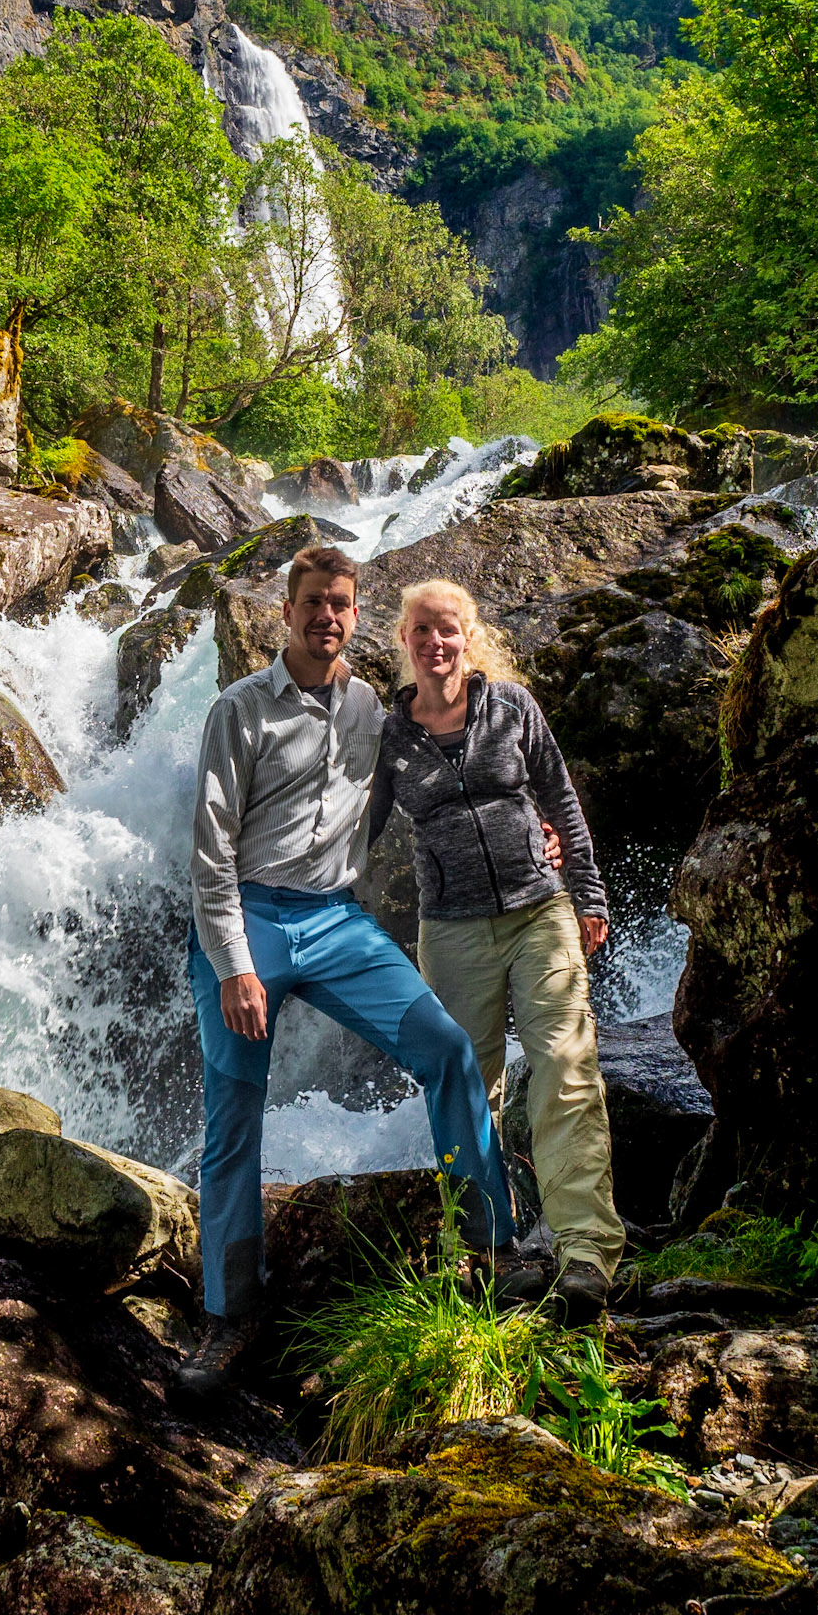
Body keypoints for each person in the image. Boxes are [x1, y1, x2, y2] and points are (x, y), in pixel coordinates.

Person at [180, 544, 517, 1397]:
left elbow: (459, 751)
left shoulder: (372, 706)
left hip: (335, 920)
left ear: (356, 616)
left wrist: (538, 830)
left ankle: (488, 1250)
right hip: (247, 920)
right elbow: (209, 852)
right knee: (234, 1112)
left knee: (444, 1049)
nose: (326, 616)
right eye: (312, 602)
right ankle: (230, 1314)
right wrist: (232, 964)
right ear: (284, 613)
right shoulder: (241, 710)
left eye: (340, 603)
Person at [369, 576, 625, 1324]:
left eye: (448, 629)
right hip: (450, 929)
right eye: (421, 630)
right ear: (405, 642)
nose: (435, 642)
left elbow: (561, 799)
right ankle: (487, 1248)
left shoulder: (513, 707)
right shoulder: (390, 736)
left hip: (538, 910)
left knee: (565, 1067)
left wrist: (590, 893)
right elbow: (362, 828)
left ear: (469, 636)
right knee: (466, 1089)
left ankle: (584, 1250)